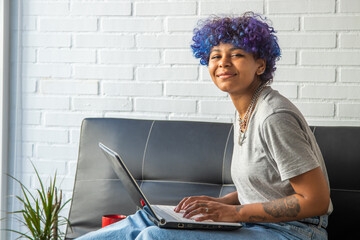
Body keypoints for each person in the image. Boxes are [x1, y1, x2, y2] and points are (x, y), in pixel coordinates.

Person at [76, 11, 332, 240]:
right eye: (215, 56)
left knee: (155, 236)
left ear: (260, 65)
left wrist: (232, 212)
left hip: (293, 232)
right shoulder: (246, 109)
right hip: (256, 225)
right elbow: (267, 188)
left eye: (237, 54)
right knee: (145, 218)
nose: (223, 62)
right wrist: (219, 204)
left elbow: (316, 201)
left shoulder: (273, 116)